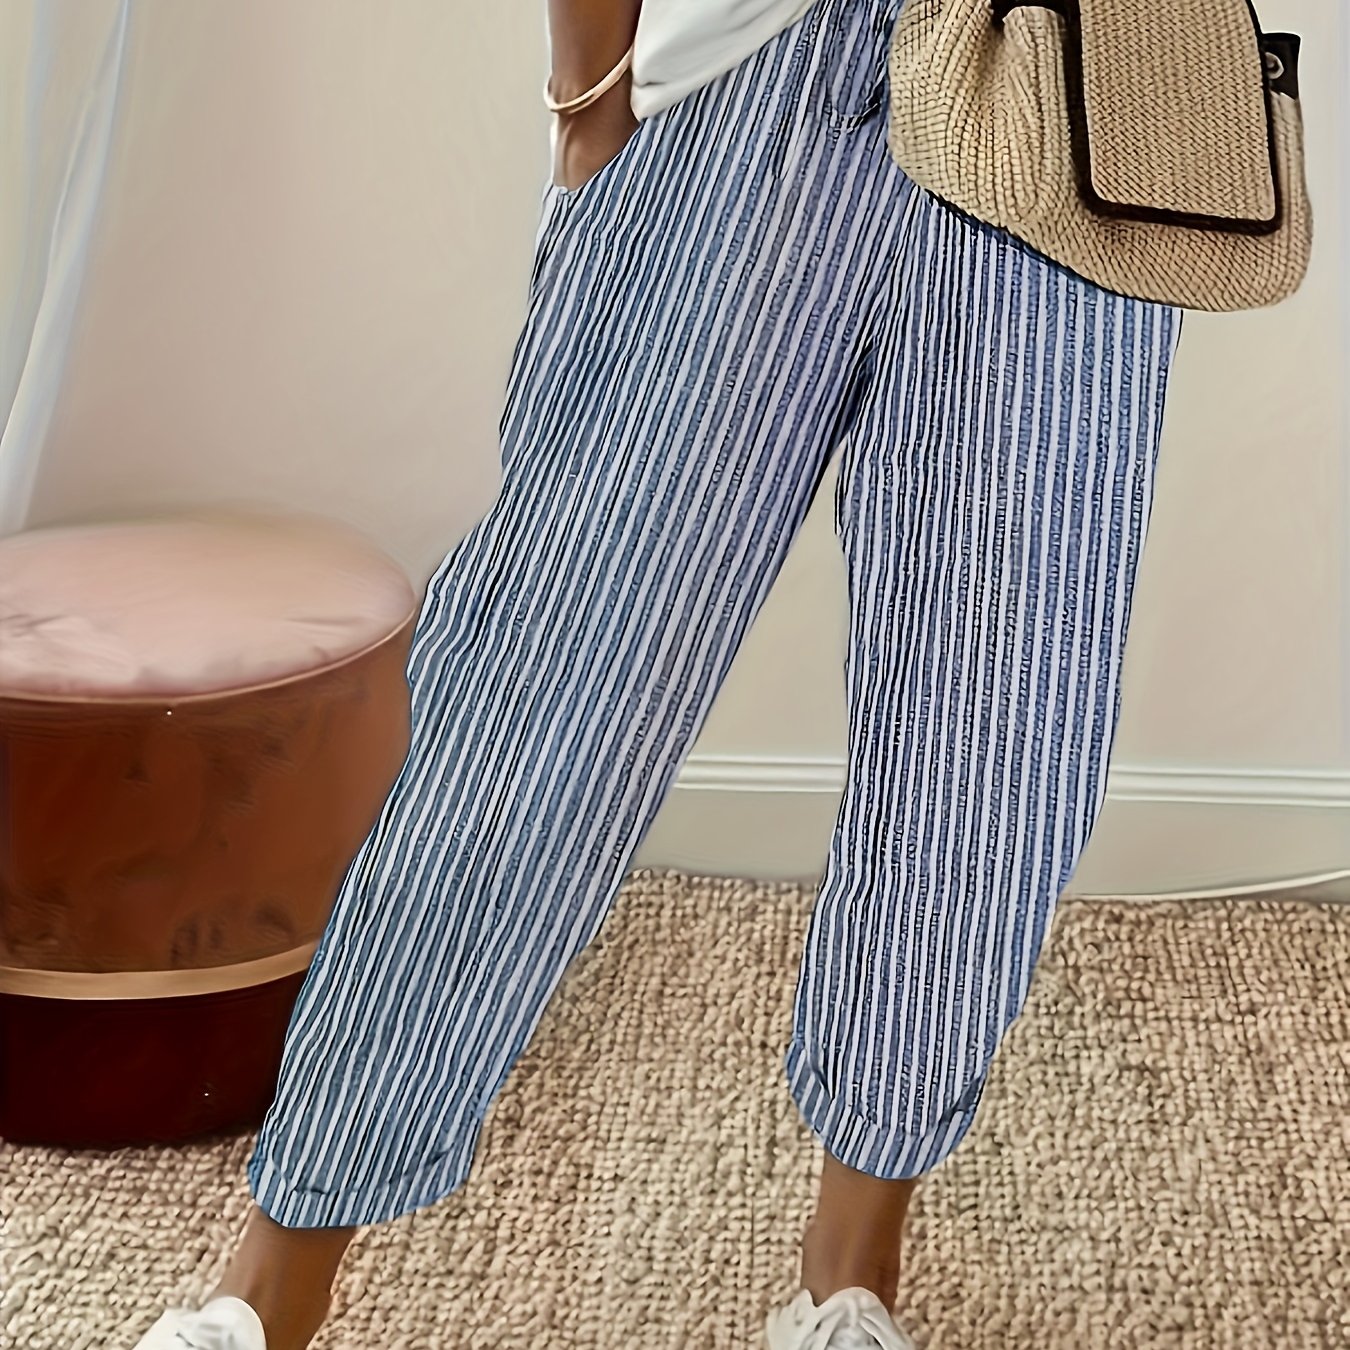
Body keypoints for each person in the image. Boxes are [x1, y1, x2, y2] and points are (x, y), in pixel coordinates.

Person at [132, 0, 1178, 1346]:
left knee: (992, 739)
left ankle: (849, 1278)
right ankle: (270, 1285)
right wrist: (590, 92)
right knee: (544, 693)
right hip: (753, 83)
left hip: (1063, 96)